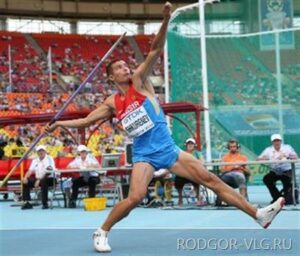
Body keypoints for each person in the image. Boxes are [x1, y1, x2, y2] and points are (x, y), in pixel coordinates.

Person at [46, 2, 285, 252]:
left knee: (211, 180)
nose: (124, 68)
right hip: (144, 155)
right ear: (110, 77)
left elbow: (155, 49)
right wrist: (59, 123)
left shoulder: (139, 82)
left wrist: (166, 19)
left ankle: (257, 214)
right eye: (118, 68)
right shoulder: (112, 102)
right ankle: (102, 230)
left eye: (125, 65)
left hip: (168, 149)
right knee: (135, 197)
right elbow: (85, 121)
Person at [258, 134, 298, 205]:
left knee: (288, 182)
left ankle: (287, 198)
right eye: (275, 141)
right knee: (267, 179)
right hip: (274, 171)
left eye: (278, 141)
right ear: (272, 142)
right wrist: (265, 158)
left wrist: (287, 156)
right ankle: (277, 198)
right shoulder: (268, 150)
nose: (276, 142)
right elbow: (259, 159)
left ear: (281, 141)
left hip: (287, 171)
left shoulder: (287, 148)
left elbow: (295, 157)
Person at [21, 145, 56, 210]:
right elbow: (30, 170)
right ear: (37, 152)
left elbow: (49, 171)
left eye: (42, 150)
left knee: (43, 181)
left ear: (45, 151)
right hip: (39, 179)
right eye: (39, 151)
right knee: (25, 181)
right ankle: (27, 202)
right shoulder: (35, 160)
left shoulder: (49, 158)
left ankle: (45, 203)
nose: (41, 152)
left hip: (50, 179)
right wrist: (25, 177)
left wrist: (39, 180)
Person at [174, 138, 205, 206]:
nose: (190, 145)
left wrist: (192, 164)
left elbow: (202, 161)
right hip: (184, 173)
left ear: (194, 145)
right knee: (177, 178)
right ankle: (180, 198)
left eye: (191, 144)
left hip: (194, 173)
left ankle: (198, 198)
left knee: (197, 180)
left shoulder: (197, 153)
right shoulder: (182, 153)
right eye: (188, 144)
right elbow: (178, 163)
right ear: (186, 145)